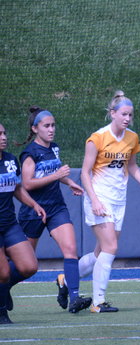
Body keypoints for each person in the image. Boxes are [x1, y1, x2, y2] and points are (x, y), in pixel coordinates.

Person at [79, 91, 140, 313]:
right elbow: (84, 173)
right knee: (111, 247)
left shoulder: (132, 138)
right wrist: (94, 200)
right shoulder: (97, 138)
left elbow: (132, 166)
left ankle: (67, 278)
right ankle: (98, 302)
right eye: (123, 114)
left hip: (119, 199)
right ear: (112, 113)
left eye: (130, 115)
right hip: (99, 198)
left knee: (101, 252)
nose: (127, 118)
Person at [17, 107, 91, 314]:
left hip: (56, 207)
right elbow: (28, 184)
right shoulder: (30, 153)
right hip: (33, 210)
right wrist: (57, 175)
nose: (51, 130)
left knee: (71, 249)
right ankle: (4, 289)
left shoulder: (54, 148)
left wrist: (68, 182)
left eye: (53, 125)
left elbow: (53, 172)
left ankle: (74, 297)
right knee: (25, 264)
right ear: (35, 129)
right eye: (47, 126)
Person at [0, 122, 45, 324]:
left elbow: (17, 188)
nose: (3, 137)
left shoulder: (10, 160)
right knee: (3, 273)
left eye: (4, 133)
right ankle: (1, 313)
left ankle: (4, 287)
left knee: (29, 266)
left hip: (10, 224)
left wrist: (34, 204)